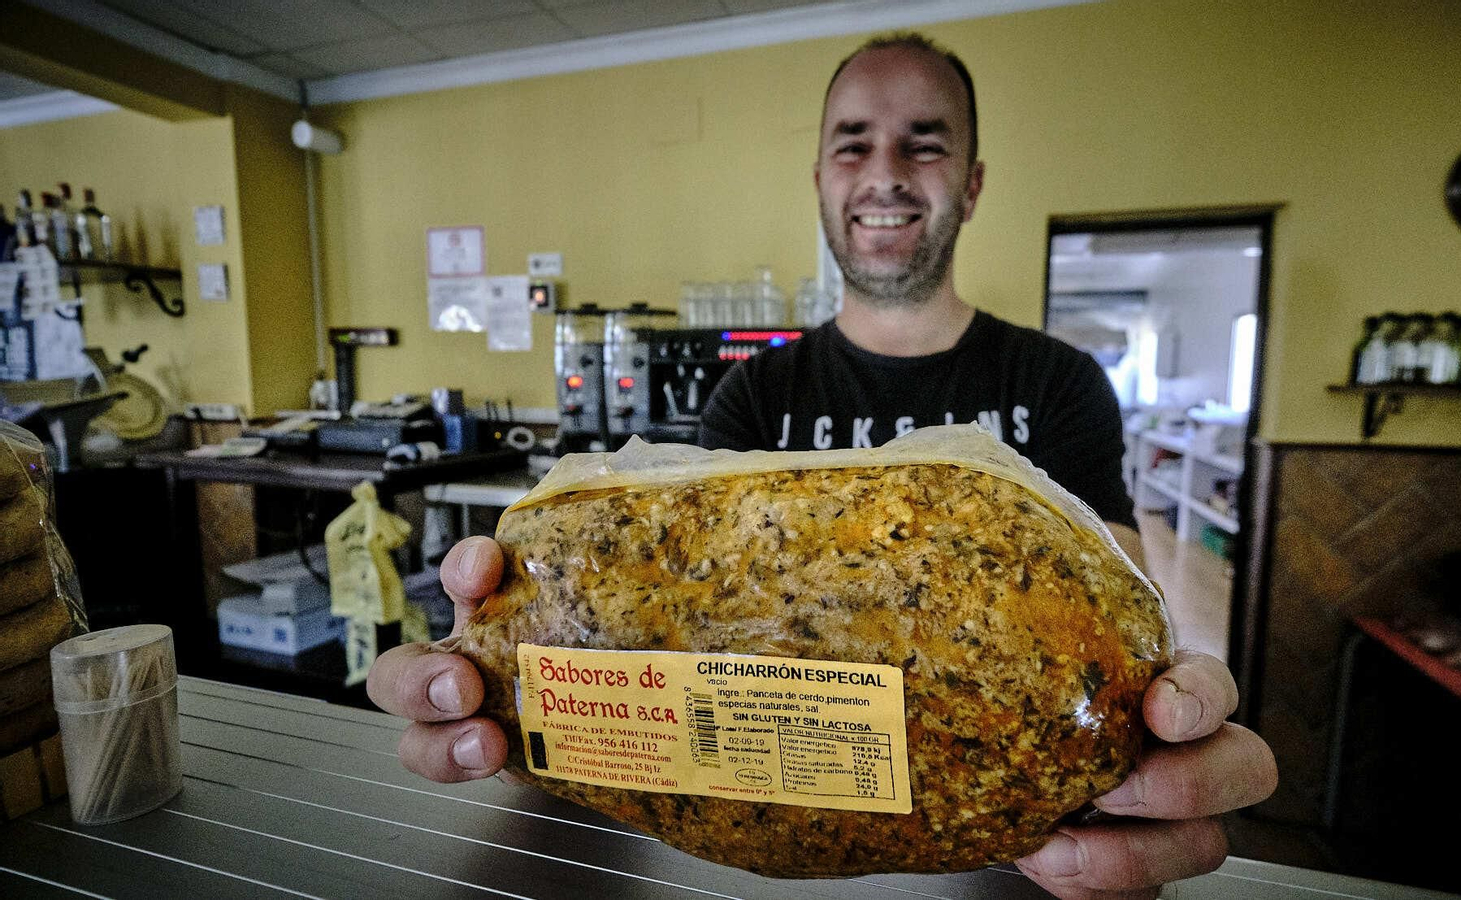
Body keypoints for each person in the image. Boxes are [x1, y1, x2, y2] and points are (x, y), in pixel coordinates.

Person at [368, 33, 1277, 899]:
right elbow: (674, 634)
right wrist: (511, 674)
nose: (885, 173)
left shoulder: (1059, 383)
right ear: (820, 181)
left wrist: (1159, 724)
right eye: (854, 146)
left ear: (973, 183)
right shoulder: (753, 396)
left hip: (1027, 867)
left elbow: (1124, 618)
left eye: (924, 146)